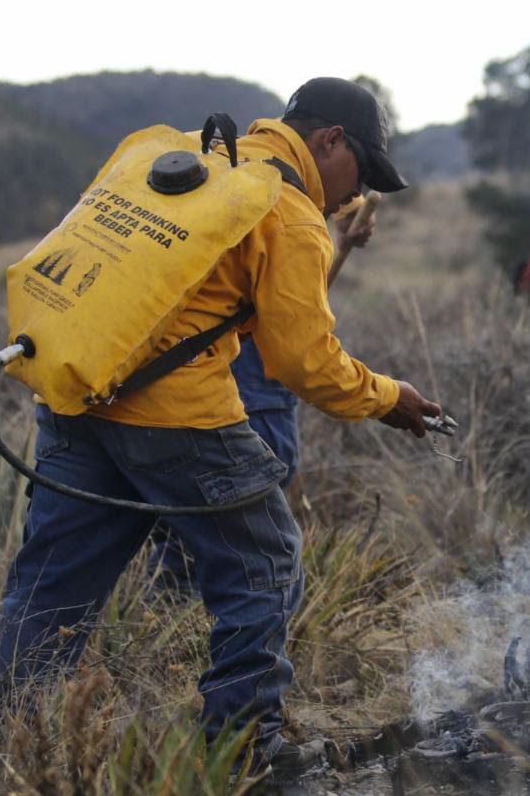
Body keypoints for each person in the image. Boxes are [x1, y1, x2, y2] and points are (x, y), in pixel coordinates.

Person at [0, 77, 441, 775]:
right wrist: (388, 399)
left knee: (53, 581)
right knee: (264, 562)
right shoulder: (287, 211)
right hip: (177, 419)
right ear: (329, 141)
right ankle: (243, 756)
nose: (356, 195)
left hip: (78, 394)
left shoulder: (192, 159)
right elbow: (302, 363)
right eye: (364, 173)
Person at [148, 202, 376, 589]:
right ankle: (200, 595)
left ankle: (182, 603)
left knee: (216, 469)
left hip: (215, 306)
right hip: (231, 309)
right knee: (250, 468)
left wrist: (347, 207)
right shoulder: (252, 161)